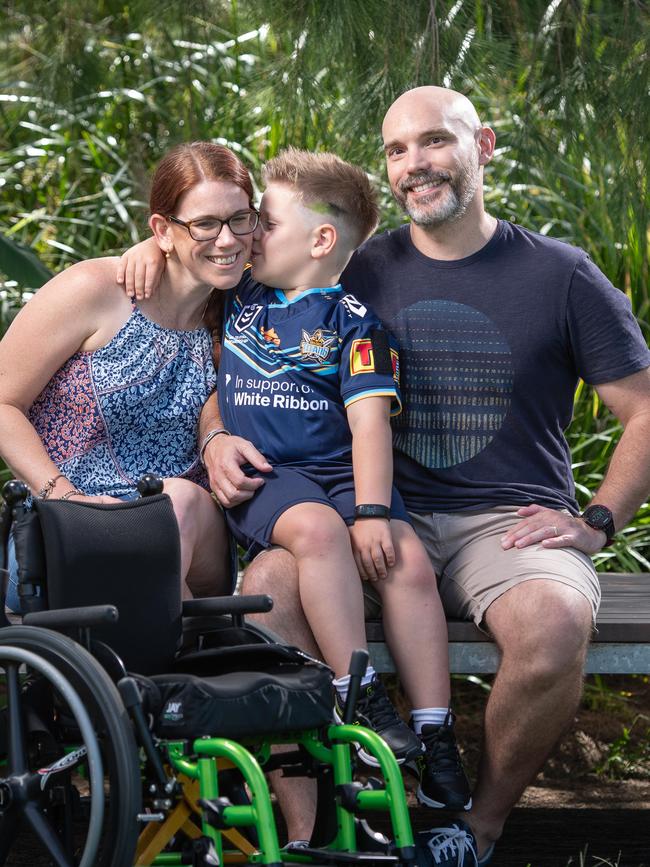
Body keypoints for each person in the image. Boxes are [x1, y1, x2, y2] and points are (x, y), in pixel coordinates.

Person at [197, 88, 650, 865]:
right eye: (397, 150)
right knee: (267, 600)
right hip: (350, 512)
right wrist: (212, 439)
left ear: (486, 146)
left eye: (435, 142)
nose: (415, 165)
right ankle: (317, 830)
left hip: (501, 522)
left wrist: (599, 518)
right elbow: (232, 344)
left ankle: (475, 824)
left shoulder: (559, 275)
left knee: (553, 625)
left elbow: (642, 408)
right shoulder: (344, 265)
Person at [0, 141, 262, 609]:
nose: (227, 239)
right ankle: (161, 676)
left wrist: (215, 433)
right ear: (162, 229)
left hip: (188, 529)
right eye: (204, 224)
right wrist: (65, 498)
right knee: (140, 564)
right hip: (67, 524)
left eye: (240, 218)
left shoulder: (248, 307)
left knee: (172, 502)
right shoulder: (98, 290)